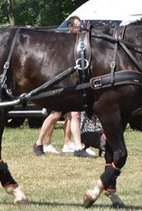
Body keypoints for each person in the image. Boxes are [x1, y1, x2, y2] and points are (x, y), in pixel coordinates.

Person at [33, 16, 96, 158]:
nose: (80, 29)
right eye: (77, 26)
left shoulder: (78, 42)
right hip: (60, 84)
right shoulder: (62, 41)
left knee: (74, 114)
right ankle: (40, 143)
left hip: (72, 84)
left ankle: (75, 146)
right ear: (70, 27)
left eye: (80, 26)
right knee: (55, 114)